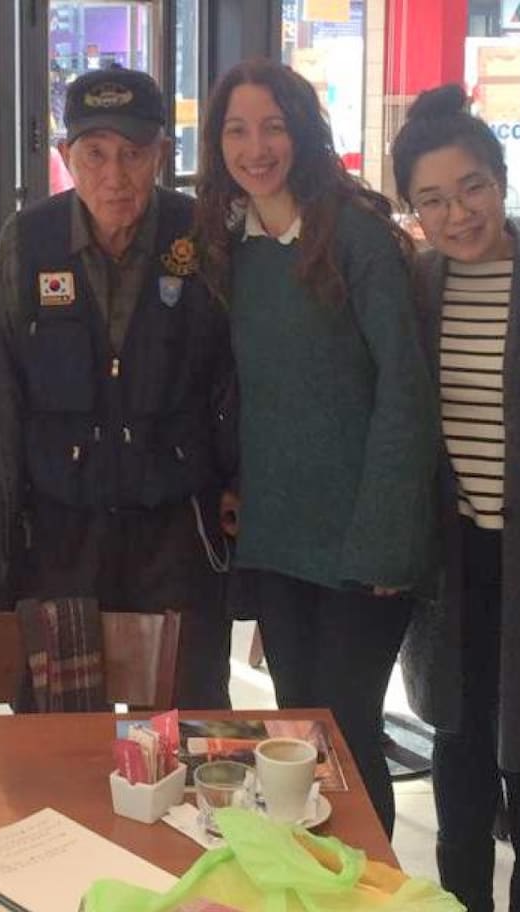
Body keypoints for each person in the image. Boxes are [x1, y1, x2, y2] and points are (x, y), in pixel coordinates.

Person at [192, 59, 437, 836]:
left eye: (273, 126)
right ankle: (314, 877)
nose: (255, 147)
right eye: (236, 130)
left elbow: (405, 389)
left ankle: (373, 883)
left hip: (361, 539)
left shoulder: (355, 236)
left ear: (302, 131)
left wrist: (387, 537)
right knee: (299, 731)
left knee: (349, 732)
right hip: (277, 534)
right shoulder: (230, 245)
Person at [0, 66, 236, 709]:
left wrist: (237, 481)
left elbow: (235, 376)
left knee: (184, 718)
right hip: (60, 532)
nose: (115, 175)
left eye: (133, 153)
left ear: (161, 154)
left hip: (176, 527)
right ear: (66, 156)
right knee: (56, 729)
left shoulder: (201, 236)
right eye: (95, 153)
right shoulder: (26, 243)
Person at [390, 85, 520, 912]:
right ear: (414, 211)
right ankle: (462, 899)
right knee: (459, 745)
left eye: (471, 187)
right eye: (432, 199)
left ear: (501, 180)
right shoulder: (417, 285)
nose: (457, 213)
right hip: (455, 560)